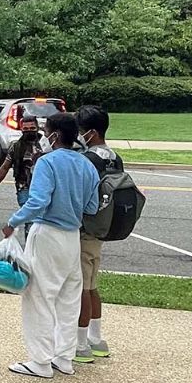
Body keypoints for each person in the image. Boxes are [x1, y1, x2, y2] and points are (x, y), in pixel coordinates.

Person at [2, 113, 99, 379]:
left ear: (55, 135)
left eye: (46, 132)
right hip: (72, 237)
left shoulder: (47, 163)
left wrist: (13, 221)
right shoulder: (87, 165)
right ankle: (64, 357)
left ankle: (40, 361)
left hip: (47, 233)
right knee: (68, 298)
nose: (44, 136)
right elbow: (91, 206)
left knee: (39, 296)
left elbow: (38, 202)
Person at [74, 105, 121, 364]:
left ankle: (80, 344)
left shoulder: (89, 159)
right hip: (102, 229)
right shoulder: (114, 156)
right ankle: (96, 338)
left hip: (85, 228)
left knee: (81, 287)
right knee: (92, 285)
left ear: (91, 132)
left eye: (81, 131)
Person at [0, 115, 43, 214]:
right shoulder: (16, 147)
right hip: (23, 187)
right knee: (28, 216)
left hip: (43, 188)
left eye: (32, 128)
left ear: (37, 128)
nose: (29, 131)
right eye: (26, 129)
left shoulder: (45, 145)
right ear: (21, 130)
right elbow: (4, 168)